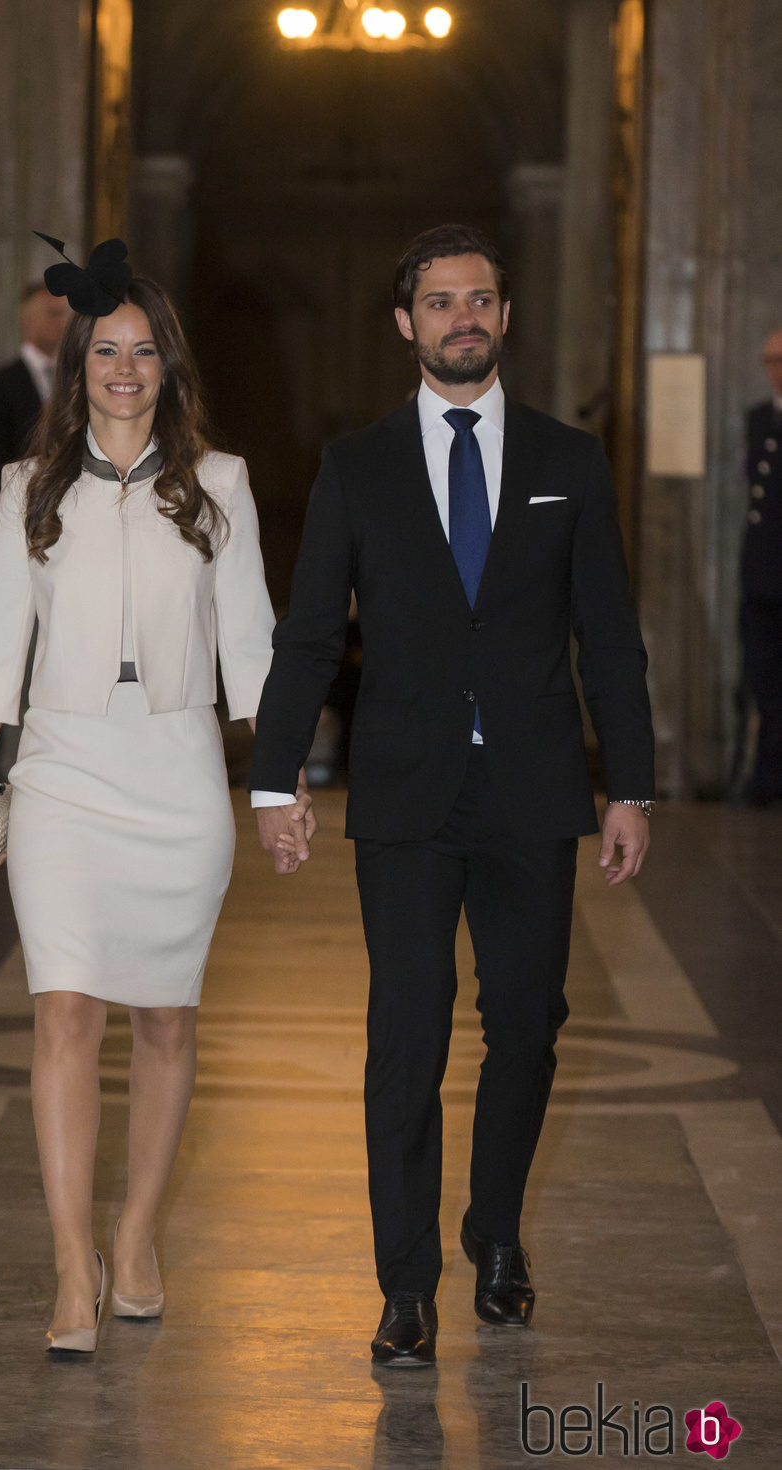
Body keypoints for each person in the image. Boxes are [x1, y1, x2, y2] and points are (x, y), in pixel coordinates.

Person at [250, 224, 654, 1367]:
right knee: (405, 1036)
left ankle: (495, 1233)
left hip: (531, 791)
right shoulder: (356, 465)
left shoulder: (568, 462)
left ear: (503, 316)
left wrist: (630, 783)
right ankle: (405, 1284)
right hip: (406, 794)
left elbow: (608, 639)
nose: (460, 318)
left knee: (525, 1027)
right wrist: (273, 778)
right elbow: (312, 630)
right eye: (438, 303)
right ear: (404, 324)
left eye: (478, 299)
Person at [0, 238, 284, 1353]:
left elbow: (252, 646)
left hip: (178, 772)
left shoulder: (219, 485)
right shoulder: (27, 489)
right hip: (60, 768)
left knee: (165, 1019)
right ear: (76, 364)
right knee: (63, 1013)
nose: (124, 369)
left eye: (142, 352)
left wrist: (277, 787)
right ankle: (66, 1266)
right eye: (105, 351)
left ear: (166, 367)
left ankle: (135, 1233)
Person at [0, 284, 71, 498]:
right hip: (16, 508)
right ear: (28, 320)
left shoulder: (76, 380)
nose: (63, 323)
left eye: (65, 314)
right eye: (53, 314)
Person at [739, 328, 782, 805]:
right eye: (770, 360)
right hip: (761, 577)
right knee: (764, 682)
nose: (777, 369)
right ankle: (767, 779)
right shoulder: (757, 420)